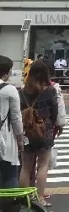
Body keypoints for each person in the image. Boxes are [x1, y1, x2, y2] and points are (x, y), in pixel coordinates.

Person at [19, 61, 60, 203]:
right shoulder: (50, 91)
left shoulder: (22, 91)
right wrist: (53, 124)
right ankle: (40, 198)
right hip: (44, 132)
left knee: (25, 167)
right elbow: (54, 111)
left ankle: (25, 199)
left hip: (26, 133)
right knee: (42, 166)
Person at [0, 56, 23, 189]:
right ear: (6, 71)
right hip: (4, 140)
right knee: (9, 176)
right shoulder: (9, 90)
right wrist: (20, 140)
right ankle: (9, 202)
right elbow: (16, 118)